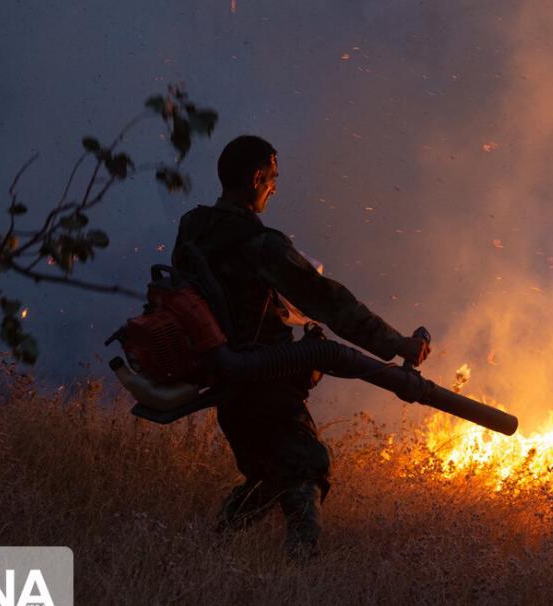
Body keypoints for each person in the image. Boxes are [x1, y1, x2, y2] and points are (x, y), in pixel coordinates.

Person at [171, 135, 429, 560]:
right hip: (263, 384)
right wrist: (396, 343)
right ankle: (299, 571)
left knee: (267, 478)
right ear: (256, 177)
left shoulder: (193, 229)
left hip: (228, 386)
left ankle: (204, 555)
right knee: (307, 466)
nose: (274, 187)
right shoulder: (260, 244)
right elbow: (328, 300)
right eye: (272, 178)